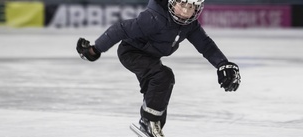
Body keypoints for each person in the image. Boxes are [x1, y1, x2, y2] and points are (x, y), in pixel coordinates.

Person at [76, 0, 241, 136]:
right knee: (163, 76)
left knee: (161, 83)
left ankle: (154, 126)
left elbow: (206, 45)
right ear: (171, 2)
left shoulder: (190, 26)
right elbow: (121, 29)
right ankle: (148, 122)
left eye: (191, 7)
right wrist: (95, 49)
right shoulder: (154, 18)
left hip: (150, 57)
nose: (185, 11)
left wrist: (222, 64)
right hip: (131, 52)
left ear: (197, 9)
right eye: (182, 4)